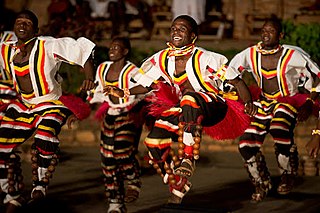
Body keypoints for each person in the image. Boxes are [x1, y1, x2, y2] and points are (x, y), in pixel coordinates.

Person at [104, 15, 252, 204]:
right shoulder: (162, 58)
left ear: (193, 37)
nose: (176, 31)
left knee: (189, 99)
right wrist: (123, 91)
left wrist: (248, 102)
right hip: (186, 108)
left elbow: (237, 81)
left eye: (182, 29)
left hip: (213, 106)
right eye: (174, 28)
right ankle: (177, 183)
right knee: (153, 142)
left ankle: (188, 158)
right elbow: (147, 84)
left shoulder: (205, 58)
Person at [0, 10, 96, 212]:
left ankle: (40, 185)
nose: (23, 25)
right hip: (23, 104)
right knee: (2, 143)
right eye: (19, 22)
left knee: (45, 135)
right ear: (14, 27)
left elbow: (83, 51)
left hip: (50, 103)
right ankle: (13, 193)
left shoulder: (48, 45)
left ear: (36, 29)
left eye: (28, 23)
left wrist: (88, 75)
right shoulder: (6, 49)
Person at [225, 16, 320, 202]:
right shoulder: (250, 54)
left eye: (271, 31)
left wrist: (309, 101)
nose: (266, 34)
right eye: (263, 31)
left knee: (279, 128)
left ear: (280, 35)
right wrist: (245, 99)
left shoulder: (293, 55)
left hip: (288, 101)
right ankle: (261, 182)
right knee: (246, 143)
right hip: (262, 102)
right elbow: (231, 74)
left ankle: (288, 174)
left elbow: (317, 75)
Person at [88, 37, 146, 213]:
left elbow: (146, 88)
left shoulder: (133, 71)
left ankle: (133, 179)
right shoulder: (102, 68)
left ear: (125, 52)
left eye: (116, 47)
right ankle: (115, 202)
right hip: (110, 114)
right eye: (110, 47)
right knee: (107, 159)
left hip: (130, 114)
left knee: (121, 150)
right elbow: (97, 91)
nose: (111, 50)